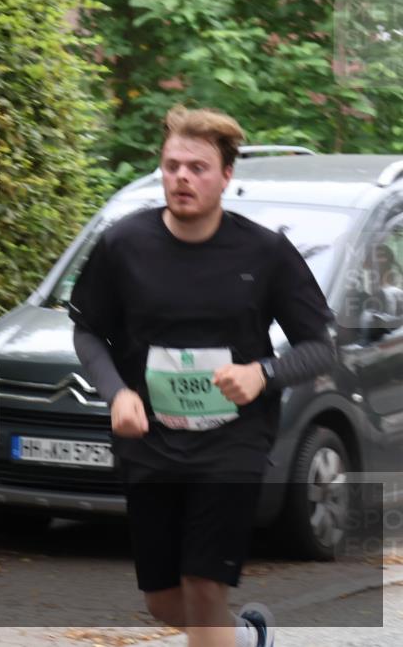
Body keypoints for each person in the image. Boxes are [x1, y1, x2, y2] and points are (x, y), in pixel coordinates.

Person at [70, 105, 336, 647]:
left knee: (203, 583)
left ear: (226, 176)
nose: (182, 178)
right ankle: (243, 638)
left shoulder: (264, 252)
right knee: (165, 600)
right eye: (172, 166)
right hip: (150, 440)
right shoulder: (125, 243)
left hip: (232, 441)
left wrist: (264, 373)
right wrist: (116, 392)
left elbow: (318, 348)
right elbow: (88, 332)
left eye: (197, 167)